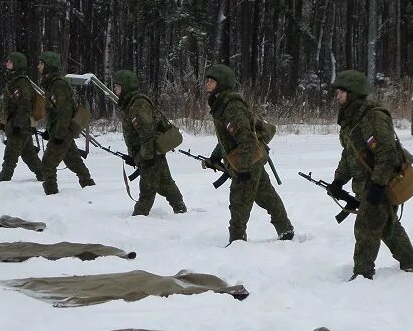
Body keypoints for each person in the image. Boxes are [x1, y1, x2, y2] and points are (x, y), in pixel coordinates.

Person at [329, 69, 413, 281]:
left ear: (353, 93)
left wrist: (378, 185)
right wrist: (339, 179)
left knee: (366, 228)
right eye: (338, 92)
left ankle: (362, 274)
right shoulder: (352, 118)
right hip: (367, 183)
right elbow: (350, 153)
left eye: (342, 92)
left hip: (381, 183)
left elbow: (386, 152)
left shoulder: (372, 117)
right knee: (387, 225)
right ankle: (410, 263)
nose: (338, 96)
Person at [203, 63, 294, 244]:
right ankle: (285, 229)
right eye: (207, 80)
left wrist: (243, 168)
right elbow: (227, 137)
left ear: (221, 83)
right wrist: (215, 156)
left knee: (239, 201)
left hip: (248, 161)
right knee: (266, 196)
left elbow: (246, 138)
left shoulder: (232, 106)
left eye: (211, 81)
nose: (207, 84)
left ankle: (237, 241)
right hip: (250, 160)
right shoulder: (221, 104)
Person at [112, 69, 186, 216]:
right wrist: (135, 156)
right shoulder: (129, 103)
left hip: (151, 153)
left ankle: (139, 218)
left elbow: (147, 133)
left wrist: (145, 156)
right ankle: (181, 209)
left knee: (147, 191)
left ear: (125, 86)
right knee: (164, 183)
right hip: (149, 152)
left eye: (117, 86)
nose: (115, 89)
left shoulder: (137, 104)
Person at [38, 51, 94, 195]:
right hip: (60, 130)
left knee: (48, 163)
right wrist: (50, 130)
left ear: (49, 66)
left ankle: (51, 194)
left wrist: (59, 135)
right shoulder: (52, 84)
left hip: (63, 131)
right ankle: (90, 187)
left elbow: (64, 112)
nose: (39, 66)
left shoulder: (58, 85)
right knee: (73, 160)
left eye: (42, 64)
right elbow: (56, 112)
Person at [0, 52, 43, 182]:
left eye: (10, 62)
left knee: (10, 155)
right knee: (28, 155)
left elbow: (25, 106)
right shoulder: (15, 80)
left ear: (17, 64)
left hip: (21, 124)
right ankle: (43, 174)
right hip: (19, 123)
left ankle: (3, 180)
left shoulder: (21, 82)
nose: (7, 64)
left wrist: (17, 124)